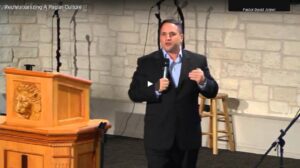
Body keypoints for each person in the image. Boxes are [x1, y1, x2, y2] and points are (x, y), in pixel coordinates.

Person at [128, 19, 218, 168]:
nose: (167, 38)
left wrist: (203, 81)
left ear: (181, 37)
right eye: (163, 34)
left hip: (187, 137)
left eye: (171, 34)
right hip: (158, 137)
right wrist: (155, 89)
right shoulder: (147, 62)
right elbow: (134, 93)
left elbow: (213, 90)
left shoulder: (197, 60)